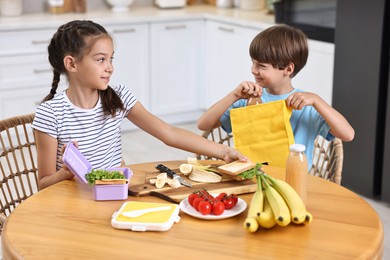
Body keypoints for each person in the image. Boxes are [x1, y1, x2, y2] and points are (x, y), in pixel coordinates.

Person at [32, 20, 247, 190]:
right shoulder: (51, 114)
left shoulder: (119, 98)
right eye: (100, 60)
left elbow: (169, 133)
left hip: (117, 194)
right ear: (71, 64)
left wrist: (224, 152)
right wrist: (65, 174)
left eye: (111, 59)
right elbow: (44, 184)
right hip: (73, 204)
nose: (110, 68)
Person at [197, 24, 354, 168]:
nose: (253, 69)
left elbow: (347, 134)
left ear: (287, 69)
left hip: (293, 181)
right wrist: (234, 95)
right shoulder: (248, 100)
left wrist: (317, 100)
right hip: (249, 177)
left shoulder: (305, 105)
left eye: (261, 66)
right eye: (253, 62)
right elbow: (203, 124)